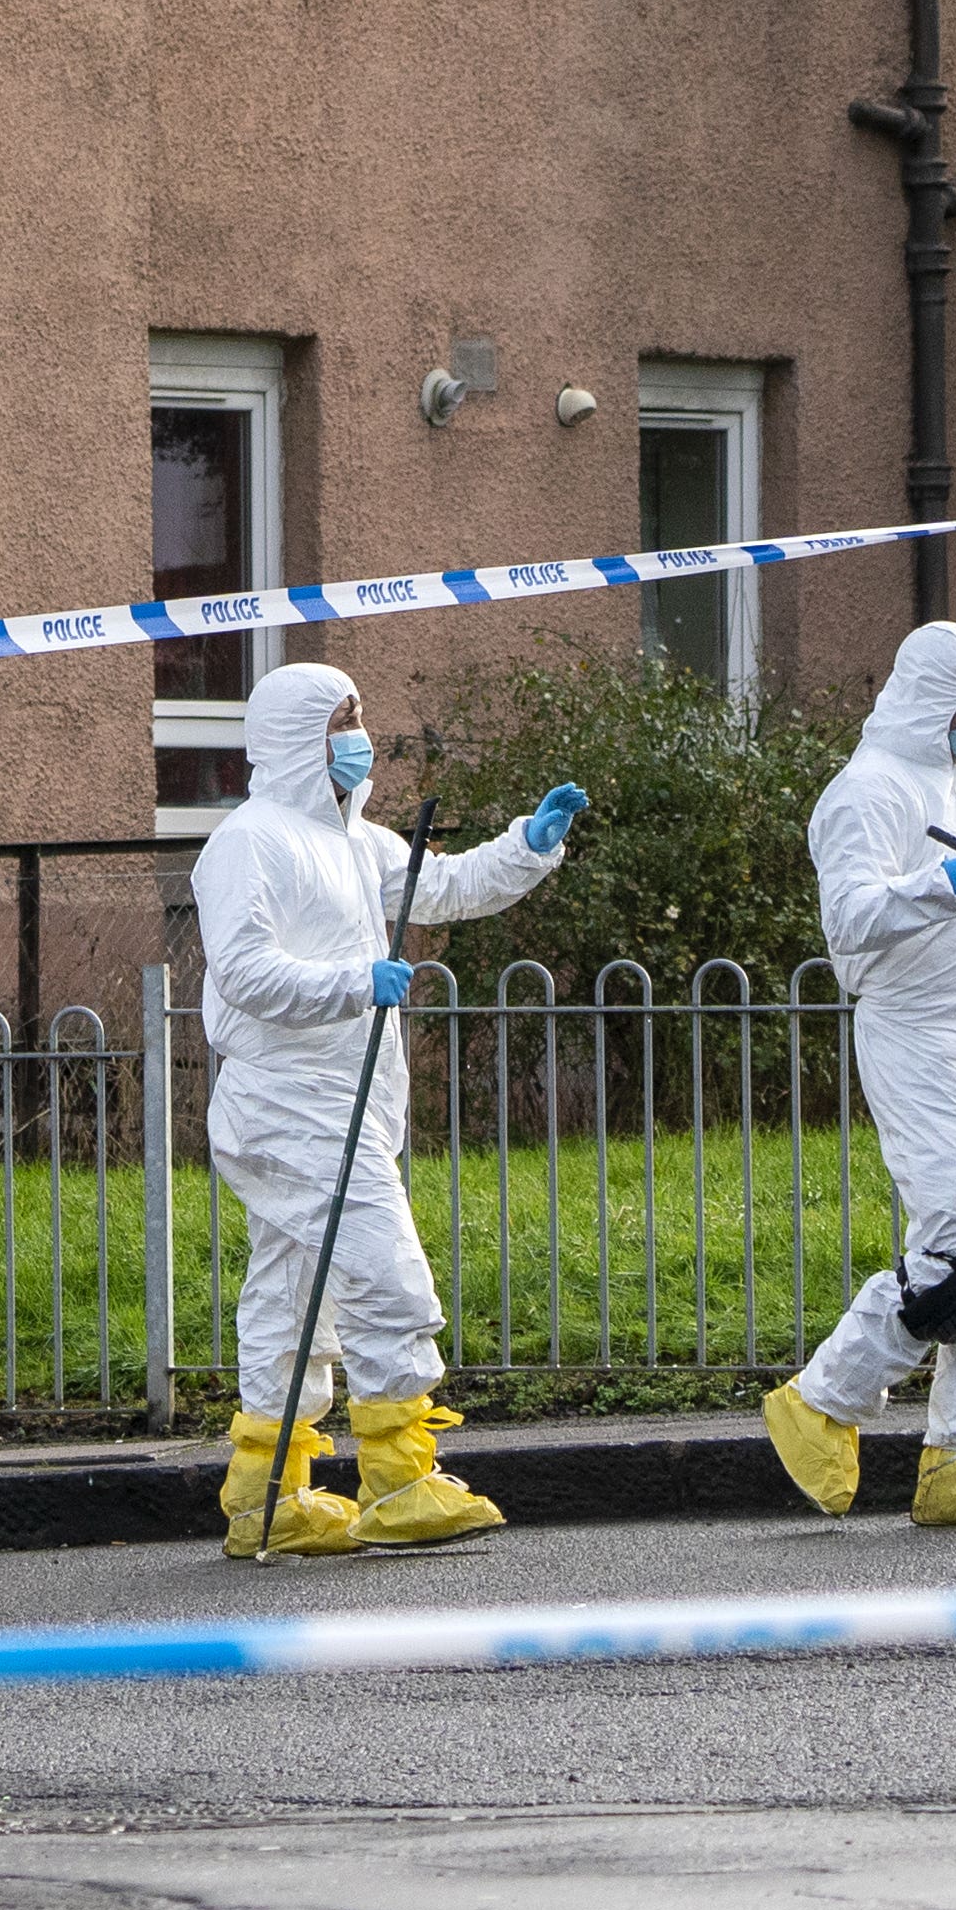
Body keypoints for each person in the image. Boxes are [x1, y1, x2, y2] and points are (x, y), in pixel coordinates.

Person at [189, 660, 585, 1556]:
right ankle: (399, 1473)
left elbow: (440, 888)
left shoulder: (357, 841)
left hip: (345, 1097)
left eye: (357, 716)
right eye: (342, 719)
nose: (359, 736)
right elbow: (243, 974)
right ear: (296, 736)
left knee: (291, 1297)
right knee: (384, 1268)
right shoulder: (249, 842)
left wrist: (529, 842)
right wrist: (350, 985)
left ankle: (266, 1496)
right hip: (287, 1102)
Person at [763, 469, 956, 1530]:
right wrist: (944, 880)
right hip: (923, 1044)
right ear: (928, 701)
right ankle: (821, 1401)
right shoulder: (864, 795)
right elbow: (850, 925)